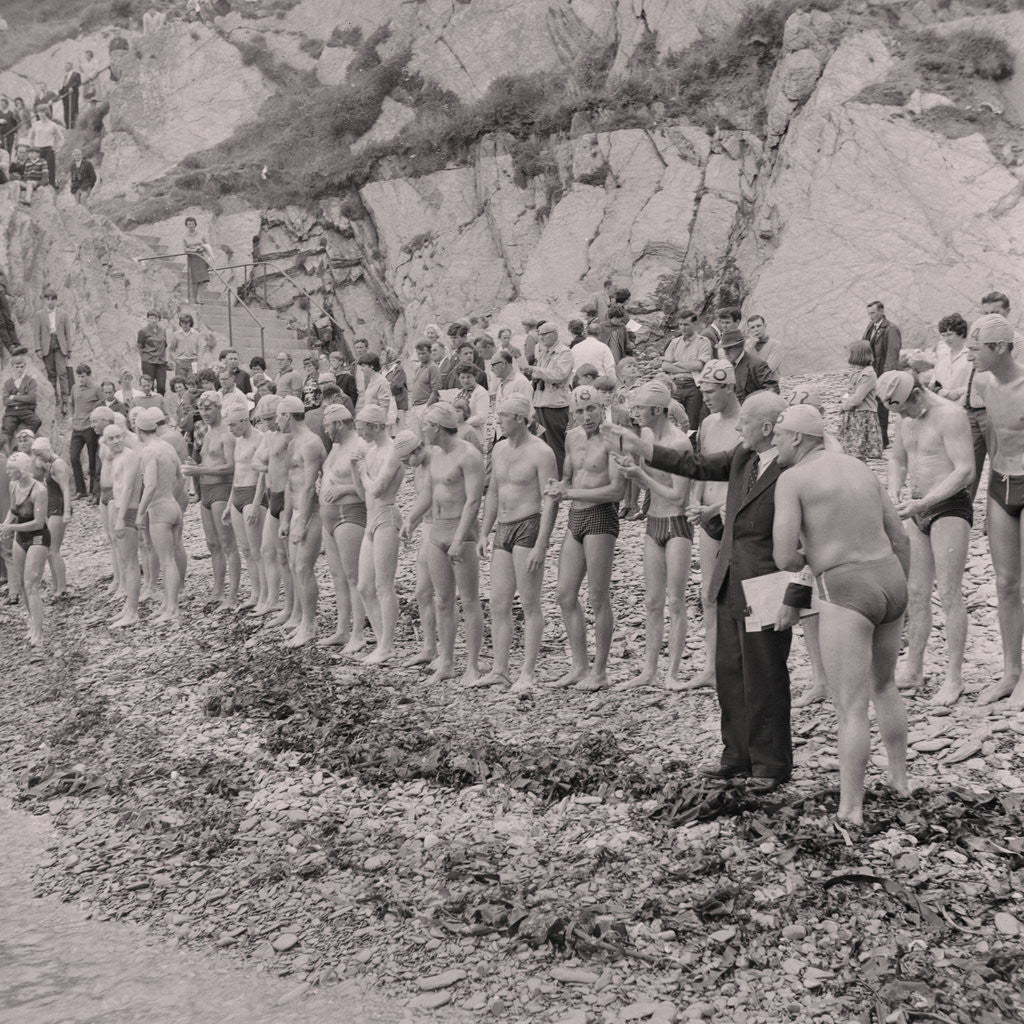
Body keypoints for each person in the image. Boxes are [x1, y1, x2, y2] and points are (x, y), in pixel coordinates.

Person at [604, 392, 798, 794]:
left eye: (745, 420)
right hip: (730, 576)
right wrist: (641, 446)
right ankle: (736, 756)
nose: (738, 426)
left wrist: (796, 595)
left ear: (767, 427)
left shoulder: (792, 466)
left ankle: (771, 763)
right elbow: (694, 464)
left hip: (768, 581)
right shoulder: (744, 455)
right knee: (730, 669)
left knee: (765, 673)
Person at [773, 404, 911, 825]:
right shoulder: (858, 467)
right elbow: (900, 536)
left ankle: (851, 808)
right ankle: (899, 779)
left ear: (798, 437)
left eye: (779, 434)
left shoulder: (793, 478)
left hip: (845, 586)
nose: (775, 441)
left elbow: (782, 556)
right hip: (889, 577)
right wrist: (900, 586)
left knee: (849, 706)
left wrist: (810, 557)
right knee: (884, 686)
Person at [879, 370, 974, 705]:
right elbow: (898, 459)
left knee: (949, 591)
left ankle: (954, 677)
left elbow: (965, 470)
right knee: (916, 592)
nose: (902, 415)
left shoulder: (950, 415)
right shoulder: (906, 419)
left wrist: (925, 501)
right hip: (916, 508)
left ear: (917, 394)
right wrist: (894, 488)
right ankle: (914, 667)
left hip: (948, 506)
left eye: (903, 408)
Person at [615, 381, 694, 691]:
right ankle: (649, 670)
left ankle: (672, 672)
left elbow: (680, 497)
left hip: (676, 525)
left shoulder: (679, 444)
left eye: (640, 408)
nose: (636, 414)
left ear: (658, 410)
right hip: (654, 522)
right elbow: (649, 486)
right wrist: (631, 472)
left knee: (675, 601)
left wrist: (640, 476)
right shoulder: (646, 436)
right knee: (651, 601)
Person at [545, 386, 625, 691]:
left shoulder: (613, 438)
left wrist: (571, 492)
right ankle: (579, 666)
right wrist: (558, 487)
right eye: (579, 411)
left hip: (601, 516)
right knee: (564, 594)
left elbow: (616, 490)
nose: (586, 416)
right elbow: (568, 478)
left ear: (601, 406)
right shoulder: (572, 437)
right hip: (575, 517)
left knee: (597, 596)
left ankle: (600, 670)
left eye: (591, 408)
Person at [477, 395, 557, 692]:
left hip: (528, 524)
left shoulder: (542, 452)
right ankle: (500, 668)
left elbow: (550, 500)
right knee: (499, 602)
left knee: (529, 602)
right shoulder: (498, 449)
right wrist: (485, 531)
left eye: (504, 416)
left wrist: (542, 543)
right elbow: (494, 493)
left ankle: (528, 671)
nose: (499, 421)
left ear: (521, 419)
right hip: (503, 528)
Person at [965, 314, 1024, 708]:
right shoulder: (983, 381)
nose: (971, 356)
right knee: (1004, 584)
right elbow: (989, 436)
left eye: (977, 349)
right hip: (1000, 483)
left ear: (1001, 347)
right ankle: (1010, 671)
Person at [404, 402, 485, 685]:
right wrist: (410, 520)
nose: (422, 430)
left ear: (437, 427)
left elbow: (474, 501)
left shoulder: (469, 455)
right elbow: (429, 492)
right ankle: (447, 662)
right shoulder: (436, 454)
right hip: (437, 532)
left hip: (459, 532)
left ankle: (472, 666)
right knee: (442, 600)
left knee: (470, 600)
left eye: (425, 425)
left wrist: (461, 537)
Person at [686, 360, 741, 690]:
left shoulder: (745, 422)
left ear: (729, 388)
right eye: (702, 392)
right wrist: (696, 501)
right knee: (709, 593)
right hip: (707, 517)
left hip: (735, 516)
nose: (705, 397)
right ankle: (711, 665)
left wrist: (715, 509)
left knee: (740, 594)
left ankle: (741, 663)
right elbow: (702, 467)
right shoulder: (707, 423)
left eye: (711, 392)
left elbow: (752, 481)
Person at [352, 405, 404, 664]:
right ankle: (383, 639)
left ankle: (388, 644)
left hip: (385, 517)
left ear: (375, 426)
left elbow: (378, 488)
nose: (360, 435)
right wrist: (356, 468)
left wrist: (362, 471)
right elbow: (363, 494)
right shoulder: (371, 451)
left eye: (362, 429)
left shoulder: (392, 451)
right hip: (372, 518)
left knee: (384, 585)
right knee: (364, 586)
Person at [181, 391, 240, 611]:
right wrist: (195, 467)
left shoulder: (227, 434)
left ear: (218, 408)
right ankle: (218, 590)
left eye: (209, 409)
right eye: (202, 409)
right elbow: (208, 460)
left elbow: (231, 467)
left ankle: (232, 595)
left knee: (228, 544)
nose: (205, 413)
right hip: (205, 490)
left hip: (221, 490)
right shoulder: (207, 433)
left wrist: (200, 469)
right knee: (212, 544)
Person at [276, 395, 325, 647]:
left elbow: (308, 487)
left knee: (304, 567)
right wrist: (286, 518)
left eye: (278, 415)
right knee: (296, 567)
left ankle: (310, 624)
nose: (276, 421)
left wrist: (301, 521)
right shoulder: (293, 443)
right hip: (295, 510)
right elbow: (289, 483)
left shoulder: (311, 443)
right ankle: (301, 619)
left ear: (287, 415)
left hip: (312, 512)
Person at [318, 404, 367, 653]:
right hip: (329, 516)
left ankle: (358, 633)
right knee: (337, 576)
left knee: (353, 576)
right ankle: (342, 629)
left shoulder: (359, 446)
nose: (325, 430)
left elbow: (370, 486)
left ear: (338, 423)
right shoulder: (336, 447)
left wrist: (343, 489)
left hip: (350, 513)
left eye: (327, 425)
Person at [135, 407, 184, 624]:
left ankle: (172, 608)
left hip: (159, 510)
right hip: (173, 505)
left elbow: (151, 484)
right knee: (170, 558)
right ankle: (167, 603)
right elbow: (180, 477)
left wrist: (140, 511)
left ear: (138, 430)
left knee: (167, 561)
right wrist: (172, 497)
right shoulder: (167, 446)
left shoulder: (148, 451)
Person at [0, 452, 49, 645]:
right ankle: (32, 623)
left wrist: (11, 527)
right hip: (20, 537)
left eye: (11, 470)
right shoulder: (13, 485)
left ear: (22, 470)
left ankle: (39, 632)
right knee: (21, 584)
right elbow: (13, 511)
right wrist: (5, 525)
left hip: (38, 537)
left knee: (31, 584)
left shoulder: (39, 490)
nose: (7, 473)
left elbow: (38, 523)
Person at [251, 394, 292, 620]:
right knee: (267, 549)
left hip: (286, 497)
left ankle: (290, 607)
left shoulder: (289, 436)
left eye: (270, 418)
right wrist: (271, 464)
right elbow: (256, 463)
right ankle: (274, 599)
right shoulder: (269, 437)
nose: (267, 423)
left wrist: (270, 463)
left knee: (286, 556)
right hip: (272, 494)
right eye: (264, 419)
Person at [223, 405, 265, 611]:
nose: (230, 429)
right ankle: (255, 592)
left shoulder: (260, 438)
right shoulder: (238, 441)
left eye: (233, 425)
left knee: (258, 550)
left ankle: (265, 594)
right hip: (238, 493)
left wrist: (257, 503)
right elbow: (237, 474)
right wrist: (230, 503)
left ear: (244, 421)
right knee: (246, 550)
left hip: (252, 494)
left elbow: (262, 475)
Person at [104, 421, 143, 628]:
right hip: (120, 510)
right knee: (124, 561)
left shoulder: (129, 456)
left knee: (130, 563)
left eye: (119, 436)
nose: (116, 441)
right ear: (105, 441)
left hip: (128, 512)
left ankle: (133, 611)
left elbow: (128, 488)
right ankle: (128, 607)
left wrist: (119, 519)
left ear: (124, 436)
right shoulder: (116, 457)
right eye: (111, 438)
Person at [523, 322, 573, 477]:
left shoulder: (564, 352)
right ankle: (548, 477)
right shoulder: (543, 352)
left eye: (545, 334)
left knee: (556, 445)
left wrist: (536, 370)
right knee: (542, 445)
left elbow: (559, 375)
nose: (541, 337)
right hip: (541, 403)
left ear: (555, 334)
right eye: (540, 334)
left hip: (555, 405)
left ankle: (562, 479)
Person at [30, 436, 71, 598]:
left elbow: (66, 489)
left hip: (59, 508)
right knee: (49, 551)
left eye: (40, 454)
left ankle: (62, 587)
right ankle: (57, 587)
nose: (38, 458)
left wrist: (67, 511)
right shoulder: (51, 464)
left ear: (47, 450)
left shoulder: (59, 464)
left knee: (54, 550)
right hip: (52, 508)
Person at [661, 310, 713, 430]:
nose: (682, 328)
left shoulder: (703, 342)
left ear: (695, 324)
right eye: (680, 324)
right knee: (671, 420)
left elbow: (699, 365)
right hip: (675, 385)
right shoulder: (674, 342)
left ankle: (691, 446)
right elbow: (665, 366)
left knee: (692, 423)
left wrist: (677, 364)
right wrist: (686, 368)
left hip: (693, 386)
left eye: (686, 324)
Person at [863, 300, 902, 448]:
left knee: (881, 407)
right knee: (872, 406)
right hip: (871, 373)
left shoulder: (891, 329)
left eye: (873, 313)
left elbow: (892, 354)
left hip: (881, 374)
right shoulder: (870, 327)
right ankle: (874, 438)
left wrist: (887, 377)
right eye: (869, 313)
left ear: (881, 311)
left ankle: (882, 439)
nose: (870, 316)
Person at [837, 340, 882, 461]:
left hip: (862, 416)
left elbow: (857, 399)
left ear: (857, 355)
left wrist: (844, 406)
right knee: (851, 450)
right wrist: (844, 398)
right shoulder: (857, 373)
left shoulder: (868, 374)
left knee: (859, 450)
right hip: (854, 415)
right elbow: (850, 392)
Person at [31, 287, 73, 414]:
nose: (50, 302)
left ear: (56, 300)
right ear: (44, 301)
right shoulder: (39, 315)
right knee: (51, 374)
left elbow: (67, 334)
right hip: (46, 346)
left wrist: (69, 349)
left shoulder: (63, 314)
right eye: (47, 299)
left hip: (60, 345)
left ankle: (65, 401)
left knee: (62, 373)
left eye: (52, 299)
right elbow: (36, 333)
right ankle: (54, 398)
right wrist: (38, 348)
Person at [69, 363, 103, 499]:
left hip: (90, 428)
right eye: (79, 377)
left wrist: (95, 419)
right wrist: (72, 418)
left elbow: (102, 405)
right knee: (73, 457)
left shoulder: (96, 389)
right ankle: (80, 490)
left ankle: (93, 492)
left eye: (83, 376)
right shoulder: (74, 388)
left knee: (92, 459)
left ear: (89, 375)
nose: (81, 379)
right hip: (76, 428)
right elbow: (72, 404)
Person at [717, 328, 778, 402]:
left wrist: (753, 402)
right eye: (724, 349)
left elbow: (773, 389)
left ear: (740, 346)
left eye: (729, 348)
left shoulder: (757, 364)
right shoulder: (727, 366)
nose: (726, 352)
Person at [2, 348, 42, 445]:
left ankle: (23, 438)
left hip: (26, 411)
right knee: (6, 431)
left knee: (36, 421)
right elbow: (5, 401)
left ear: (25, 367)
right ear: (12, 367)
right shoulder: (8, 383)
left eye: (22, 367)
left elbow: (31, 399)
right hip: (11, 412)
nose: (20, 369)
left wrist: (14, 397)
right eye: (17, 367)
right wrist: (24, 398)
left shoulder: (31, 381)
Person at [407, 340, 441, 432]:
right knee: (416, 437)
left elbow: (436, 390)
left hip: (425, 406)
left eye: (423, 353)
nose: (421, 356)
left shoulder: (433, 367)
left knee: (426, 437)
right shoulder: (419, 366)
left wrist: (426, 407)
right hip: (415, 406)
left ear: (430, 352)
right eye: (419, 354)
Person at [27, 108, 63, 192]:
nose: (42, 114)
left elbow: (61, 138)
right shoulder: (35, 124)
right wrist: (31, 146)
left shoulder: (53, 125)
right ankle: (37, 187)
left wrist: (57, 148)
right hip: (37, 149)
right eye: (40, 112)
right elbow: (30, 136)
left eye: (44, 112)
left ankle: (52, 188)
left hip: (48, 149)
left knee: (50, 169)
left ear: (47, 113)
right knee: (36, 169)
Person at [133, 310, 167, 396]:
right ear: (148, 319)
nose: (153, 320)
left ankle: (159, 404)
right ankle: (149, 405)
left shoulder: (163, 330)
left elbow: (164, 345)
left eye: (156, 318)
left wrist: (164, 359)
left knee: (161, 387)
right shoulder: (143, 331)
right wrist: (145, 357)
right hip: (148, 362)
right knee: (149, 386)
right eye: (151, 318)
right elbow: (139, 346)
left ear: (158, 319)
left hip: (161, 362)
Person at [168, 314, 214, 378]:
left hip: (193, 362)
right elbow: (171, 349)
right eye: (182, 323)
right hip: (180, 362)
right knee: (180, 382)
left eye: (186, 323)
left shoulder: (196, 334)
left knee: (192, 382)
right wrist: (176, 360)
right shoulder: (176, 334)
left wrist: (199, 362)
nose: (184, 325)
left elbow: (200, 349)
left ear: (190, 323)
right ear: (180, 323)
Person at [183, 217, 213, 304]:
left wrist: (201, 248)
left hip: (201, 257)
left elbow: (207, 245)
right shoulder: (184, 236)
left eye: (192, 224)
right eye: (189, 224)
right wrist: (193, 250)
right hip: (192, 258)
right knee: (195, 280)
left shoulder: (201, 234)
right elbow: (185, 250)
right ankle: (194, 298)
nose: (191, 226)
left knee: (203, 279)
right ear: (186, 225)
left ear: (195, 224)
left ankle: (199, 298)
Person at [60, 62, 81, 129]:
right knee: (66, 113)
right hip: (65, 97)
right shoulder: (65, 76)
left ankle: (74, 126)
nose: (65, 67)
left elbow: (78, 82)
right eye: (65, 66)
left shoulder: (76, 74)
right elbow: (63, 87)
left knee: (73, 110)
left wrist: (72, 87)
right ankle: (68, 127)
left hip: (73, 95)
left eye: (67, 66)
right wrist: (61, 93)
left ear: (71, 66)